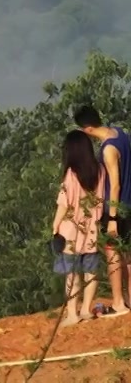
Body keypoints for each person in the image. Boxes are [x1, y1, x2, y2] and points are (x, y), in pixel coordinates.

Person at [75, 104, 131, 316]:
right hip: (129, 203)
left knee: (113, 254)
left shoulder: (108, 149)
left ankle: (118, 302)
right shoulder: (120, 133)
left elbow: (114, 184)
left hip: (116, 207)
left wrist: (113, 218)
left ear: (87, 129)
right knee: (128, 255)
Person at [54, 130, 106, 325]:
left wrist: (55, 226)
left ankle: (72, 314)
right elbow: (101, 199)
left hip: (71, 231)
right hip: (92, 229)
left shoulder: (71, 173)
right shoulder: (99, 170)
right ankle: (86, 310)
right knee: (91, 271)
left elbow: (64, 203)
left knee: (72, 274)